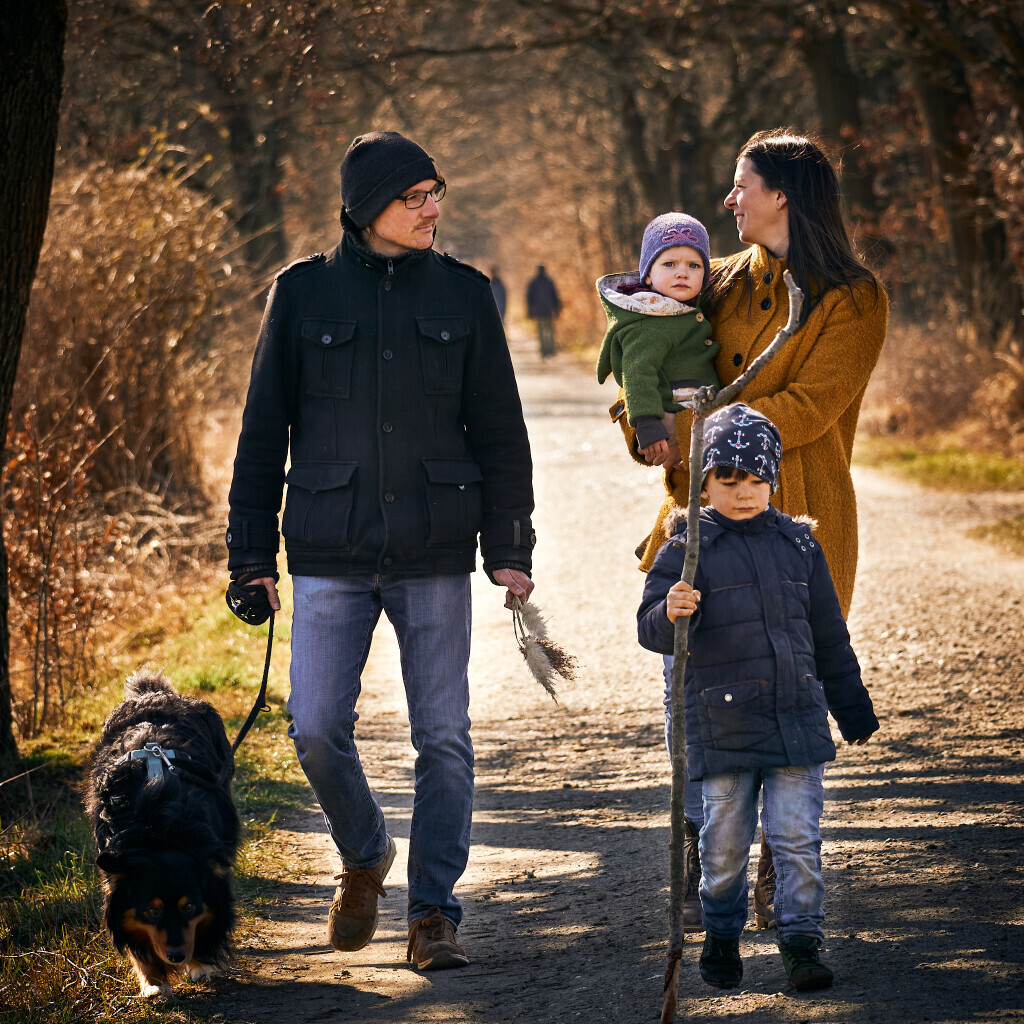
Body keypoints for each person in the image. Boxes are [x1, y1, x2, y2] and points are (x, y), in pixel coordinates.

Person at [225, 130, 536, 972]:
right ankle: (365, 854)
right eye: (416, 196)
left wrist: (509, 544)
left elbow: (500, 432)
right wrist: (249, 555)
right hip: (329, 547)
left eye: (437, 191)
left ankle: (433, 914)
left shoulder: (468, 296)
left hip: (436, 548)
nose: (433, 208)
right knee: (317, 727)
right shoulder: (301, 294)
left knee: (444, 738)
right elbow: (261, 434)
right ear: (369, 210)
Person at [617, 130, 888, 933]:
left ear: (784, 194)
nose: (729, 200)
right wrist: (645, 418)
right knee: (691, 691)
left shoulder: (853, 298)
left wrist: (708, 428)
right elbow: (650, 350)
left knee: (788, 694)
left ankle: (780, 863)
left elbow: (810, 408)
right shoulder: (716, 279)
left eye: (743, 186)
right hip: (696, 527)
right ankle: (706, 853)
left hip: (796, 522)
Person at [637, 403, 878, 993]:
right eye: (728, 480)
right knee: (723, 847)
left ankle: (801, 941)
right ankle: (722, 934)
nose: (743, 493)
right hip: (724, 729)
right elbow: (649, 628)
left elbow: (828, 636)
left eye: (755, 480)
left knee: (797, 839)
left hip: (796, 721)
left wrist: (852, 709)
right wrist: (670, 613)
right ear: (704, 483)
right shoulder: (684, 550)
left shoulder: (799, 547)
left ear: (773, 479)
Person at [596, 212, 721, 462]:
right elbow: (637, 373)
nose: (682, 273)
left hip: (699, 412)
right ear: (648, 274)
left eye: (694, 265)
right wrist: (646, 422)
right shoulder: (649, 319)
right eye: (669, 264)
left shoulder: (681, 310)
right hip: (675, 410)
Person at [526, 264, 562, 357]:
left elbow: (529, 298)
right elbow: (555, 296)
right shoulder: (549, 282)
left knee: (541, 331)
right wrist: (557, 310)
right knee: (550, 331)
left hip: (538, 311)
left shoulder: (533, 282)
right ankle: (551, 350)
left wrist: (529, 311)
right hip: (549, 310)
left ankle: (543, 351)